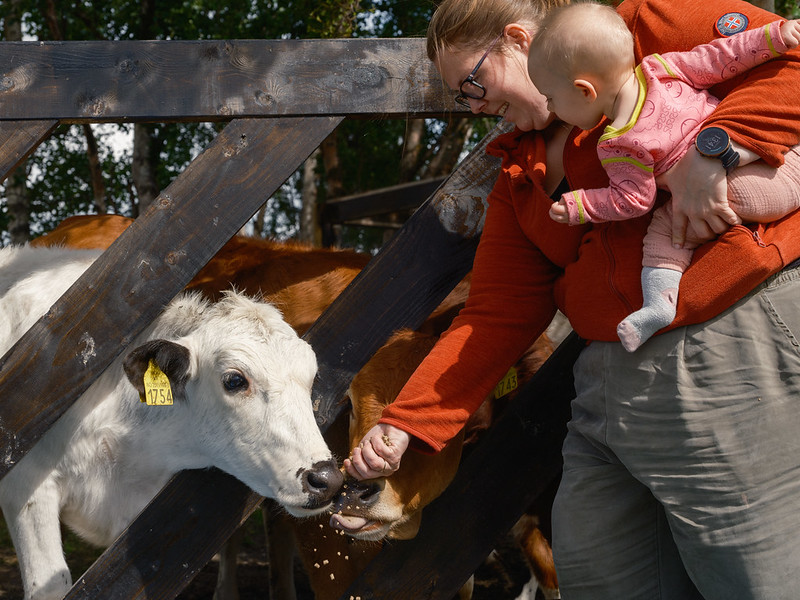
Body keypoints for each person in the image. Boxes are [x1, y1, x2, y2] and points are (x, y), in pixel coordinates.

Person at [344, 0, 800, 597]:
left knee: (757, 577)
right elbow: (496, 313)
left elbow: (787, 54)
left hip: (723, 346)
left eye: (474, 84)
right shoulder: (517, 169)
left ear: (515, 39)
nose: (476, 107)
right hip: (605, 386)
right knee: (596, 574)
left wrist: (716, 149)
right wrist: (406, 424)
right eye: (464, 99)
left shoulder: (639, 28)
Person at [526, 2, 800, 351]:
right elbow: (719, 57)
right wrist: (773, 36)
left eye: (550, 98)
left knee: (664, 234)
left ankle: (657, 305)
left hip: (739, 191)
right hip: (777, 164)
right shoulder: (661, 68)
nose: (551, 109)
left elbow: (632, 201)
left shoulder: (617, 145)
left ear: (585, 90)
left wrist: (581, 205)